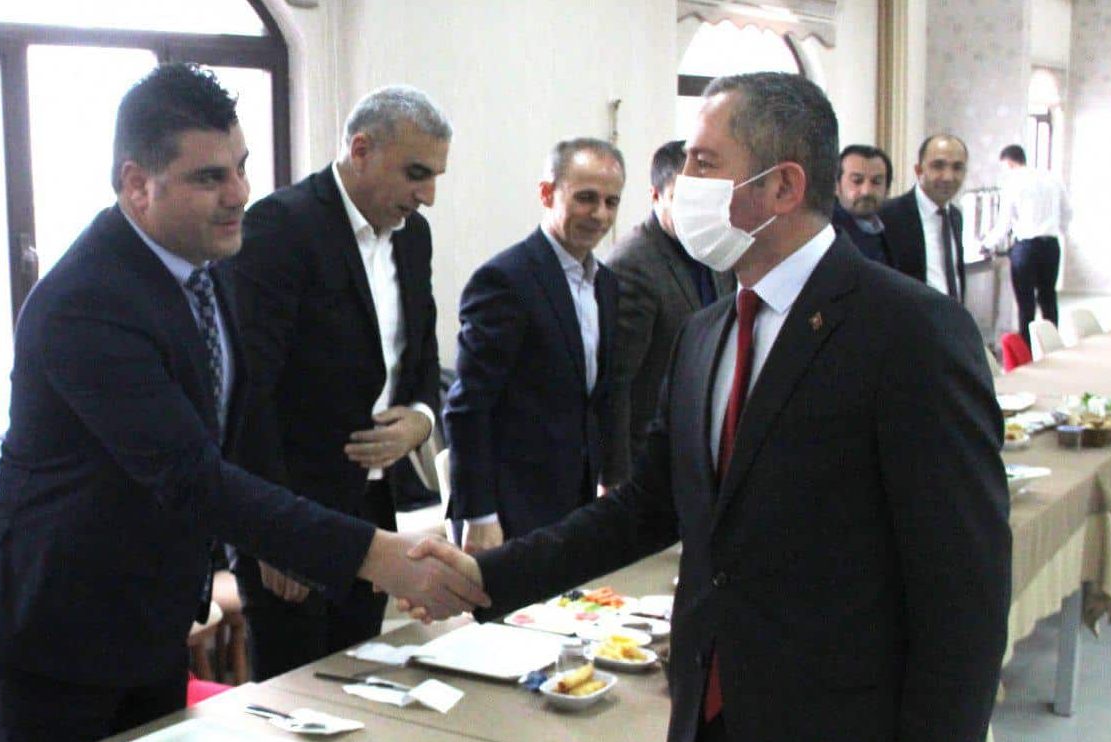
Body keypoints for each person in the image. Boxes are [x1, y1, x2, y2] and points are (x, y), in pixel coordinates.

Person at [412, 73, 1010, 742]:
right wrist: (488, 578)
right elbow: (648, 506)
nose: (681, 184)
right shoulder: (707, 333)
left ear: (777, 187)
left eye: (700, 162)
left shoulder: (904, 332)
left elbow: (965, 578)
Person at [0, 65, 485, 742]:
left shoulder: (204, 270)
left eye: (240, 168)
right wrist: (380, 556)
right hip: (60, 629)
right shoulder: (89, 301)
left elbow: (235, 424)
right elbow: (192, 476)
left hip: (151, 609)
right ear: (138, 183)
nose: (239, 194)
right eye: (209, 178)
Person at [223, 86, 450, 679]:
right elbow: (251, 394)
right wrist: (272, 534)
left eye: (435, 178)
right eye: (416, 173)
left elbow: (422, 355)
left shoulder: (413, 237)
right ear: (361, 149)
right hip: (293, 505)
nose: (427, 195)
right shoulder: (282, 227)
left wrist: (421, 419)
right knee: (294, 700)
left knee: (359, 682)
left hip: (371, 504)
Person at [444, 137, 624, 553]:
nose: (600, 215)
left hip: (575, 501)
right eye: (586, 198)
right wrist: (480, 516)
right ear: (547, 193)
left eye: (611, 202)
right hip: (510, 507)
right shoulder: (506, 281)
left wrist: (610, 479)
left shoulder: (607, 285)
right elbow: (468, 407)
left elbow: (602, 395)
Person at [604, 139, 733, 487]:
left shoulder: (715, 252)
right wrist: (616, 479)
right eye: (684, 199)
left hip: (704, 444)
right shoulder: (632, 264)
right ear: (657, 196)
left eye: (707, 200)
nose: (698, 213)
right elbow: (617, 385)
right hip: (650, 457)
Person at [987, 143, 1069, 338]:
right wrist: (1057, 231)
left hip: (1026, 247)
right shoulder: (1052, 178)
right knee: (1048, 298)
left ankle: (1027, 350)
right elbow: (1067, 213)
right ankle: (1052, 345)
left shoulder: (1013, 181)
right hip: (1051, 246)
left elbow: (1004, 221)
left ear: (1009, 163)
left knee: (1026, 303)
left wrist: (987, 244)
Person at [882, 133, 970, 301]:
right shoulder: (890, 216)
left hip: (951, 321)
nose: (948, 177)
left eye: (957, 167)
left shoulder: (955, 217)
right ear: (919, 170)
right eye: (938, 166)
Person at [833, 143, 895, 264]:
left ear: (887, 189)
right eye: (857, 181)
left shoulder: (895, 227)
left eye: (876, 182)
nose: (866, 191)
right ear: (836, 185)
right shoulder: (826, 233)